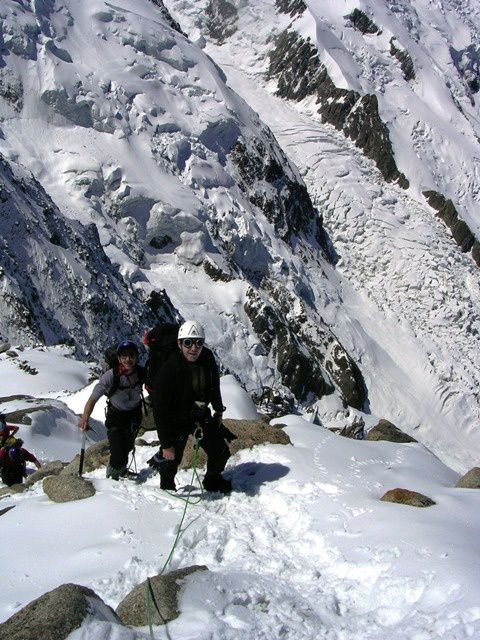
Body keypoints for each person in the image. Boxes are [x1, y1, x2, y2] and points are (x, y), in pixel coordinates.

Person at [149, 320, 232, 494]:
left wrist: (218, 410)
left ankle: (212, 480)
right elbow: (159, 408)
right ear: (179, 344)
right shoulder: (169, 368)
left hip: (199, 415)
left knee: (220, 451)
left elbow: (213, 384)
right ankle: (167, 489)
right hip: (175, 420)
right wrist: (166, 444)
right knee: (170, 460)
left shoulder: (207, 358)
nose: (193, 348)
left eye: (198, 343)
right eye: (188, 343)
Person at [78, 340, 144, 480]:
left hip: (134, 415)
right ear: (119, 359)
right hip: (117, 416)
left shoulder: (141, 373)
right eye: (124, 356)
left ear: (136, 357)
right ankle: (112, 476)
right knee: (117, 449)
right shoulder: (111, 376)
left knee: (127, 446)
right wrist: (85, 418)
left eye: (131, 356)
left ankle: (121, 470)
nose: (128, 359)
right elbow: (93, 399)